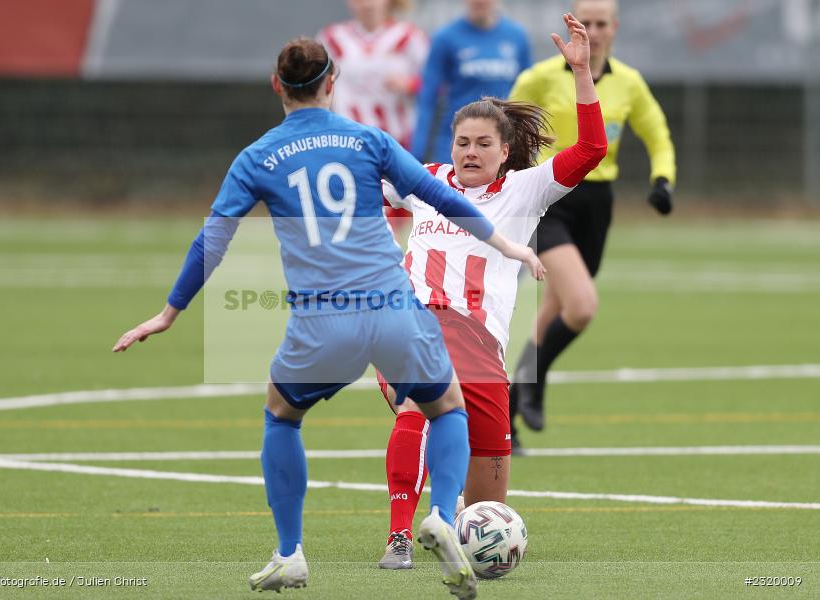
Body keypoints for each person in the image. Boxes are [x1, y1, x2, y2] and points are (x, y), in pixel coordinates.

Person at [113, 37, 540, 600]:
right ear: (332, 83)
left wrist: (170, 312)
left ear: (276, 85)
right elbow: (443, 196)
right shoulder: (368, 140)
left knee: (281, 416)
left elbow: (211, 240)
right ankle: (440, 514)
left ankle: (289, 553)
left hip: (321, 321)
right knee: (448, 408)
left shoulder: (257, 157)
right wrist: (506, 244)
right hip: (393, 309)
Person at [376, 13, 607, 569]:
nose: (470, 152)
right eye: (462, 142)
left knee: (484, 511)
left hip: (482, 348)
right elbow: (359, 190)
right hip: (414, 323)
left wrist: (582, 74)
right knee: (419, 401)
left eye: (483, 143)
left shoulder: (525, 192)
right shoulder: (424, 181)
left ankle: (454, 521)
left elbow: (592, 149)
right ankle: (399, 536)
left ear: (505, 152)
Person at [506, 0, 677, 449]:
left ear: (614, 28)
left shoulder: (629, 82)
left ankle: (507, 414)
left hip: (597, 204)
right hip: (549, 198)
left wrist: (663, 179)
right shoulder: (540, 77)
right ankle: (534, 385)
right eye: (587, 22)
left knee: (552, 312)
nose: (594, 31)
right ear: (573, 25)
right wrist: (508, 182)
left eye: (602, 23)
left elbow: (657, 134)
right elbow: (505, 128)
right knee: (581, 306)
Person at [317, 0, 429, 235]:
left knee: (394, 215)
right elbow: (313, 84)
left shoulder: (409, 37)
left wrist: (411, 84)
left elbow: (435, 84)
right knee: (352, 216)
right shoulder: (332, 38)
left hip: (397, 140)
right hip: (348, 141)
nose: (368, 4)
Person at [411, 0, 534, 164]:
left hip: (502, 144)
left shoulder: (517, 36)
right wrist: (417, 153)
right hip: (458, 143)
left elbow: (528, 94)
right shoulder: (445, 38)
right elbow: (427, 97)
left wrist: (529, 142)